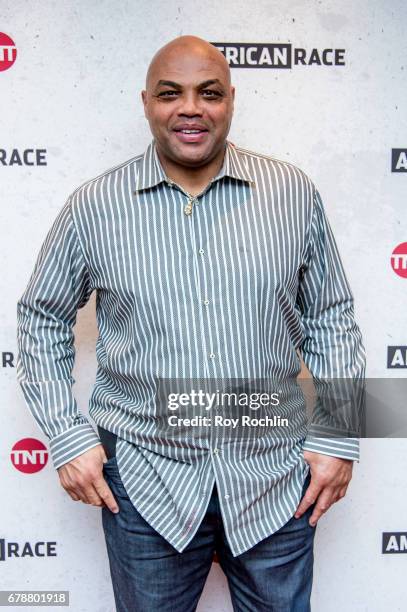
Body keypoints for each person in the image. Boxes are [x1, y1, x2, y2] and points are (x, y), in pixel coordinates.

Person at [16, 35, 366, 611]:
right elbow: (41, 317)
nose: (190, 109)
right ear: (146, 103)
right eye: (169, 93)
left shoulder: (292, 195)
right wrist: (67, 435)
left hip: (275, 479)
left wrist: (338, 436)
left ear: (231, 99)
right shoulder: (94, 206)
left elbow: (331, 316)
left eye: (209, 93)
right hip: (145, 482)